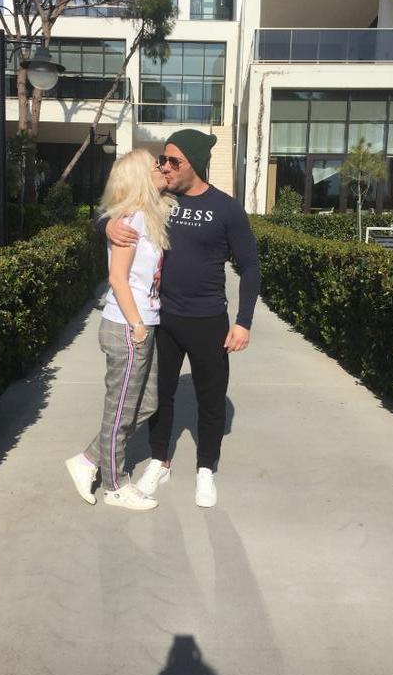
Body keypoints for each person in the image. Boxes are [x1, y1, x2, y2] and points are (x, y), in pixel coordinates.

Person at [102, 129, 260, 508]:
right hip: (164, 318)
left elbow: (251, 267)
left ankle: (206, 468)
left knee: (211, 399)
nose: (166, 167)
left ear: (196, 165)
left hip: (208, 320)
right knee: (161, 397)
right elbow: (115, 209)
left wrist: (243, 321)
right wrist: (104, 225)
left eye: (175, 161)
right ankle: (160, 461)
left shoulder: (226, 209)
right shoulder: (160, 199)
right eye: (163, 159)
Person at [66, 149, 173, 510]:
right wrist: (138, 325)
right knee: (121, 411)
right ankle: (115, 485)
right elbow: (117, 278)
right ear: (141, 175)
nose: (162, 168)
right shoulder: (130, 219)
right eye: (156, 165)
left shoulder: (148, 213)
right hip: (129, 326)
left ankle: (87, 460)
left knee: (147, 404)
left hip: (143, 323)